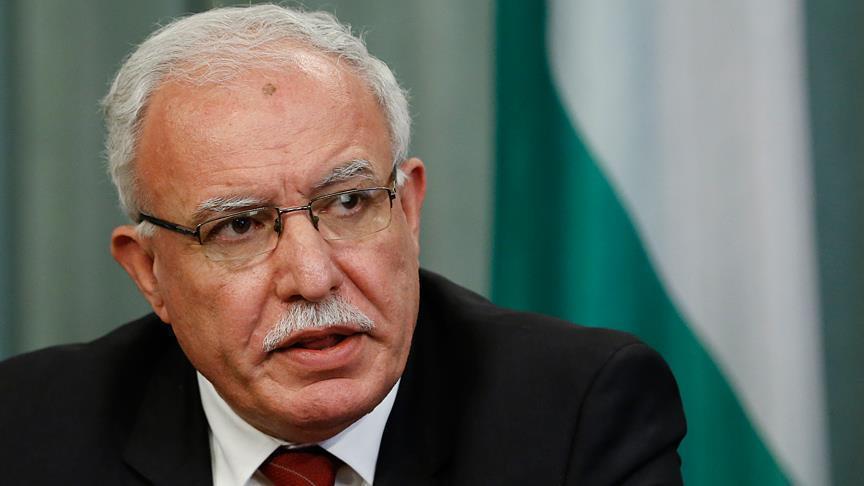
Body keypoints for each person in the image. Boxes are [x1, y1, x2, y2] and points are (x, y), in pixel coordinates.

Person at [0, 4, 686, 485]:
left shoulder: (577, 414)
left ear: (408, 209)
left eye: (349, 202)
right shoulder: (26, 432)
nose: (312, 276)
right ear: (150, 272)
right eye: (238, 226)